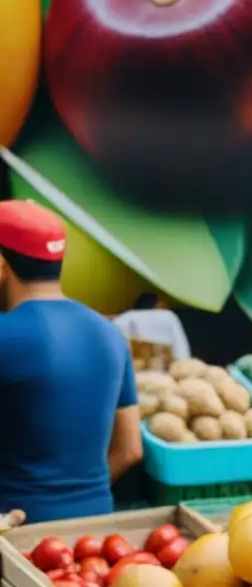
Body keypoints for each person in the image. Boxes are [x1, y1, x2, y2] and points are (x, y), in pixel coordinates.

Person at [0, 201, 142, 522]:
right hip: (93, 535)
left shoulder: (4, 335)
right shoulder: (111, 335)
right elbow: (130, 449)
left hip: (15, 533)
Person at [112, 292, 191, 359]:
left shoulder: (126, 317)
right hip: (167, 364)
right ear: (159, 305)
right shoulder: (168, 316)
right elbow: (181, 346)